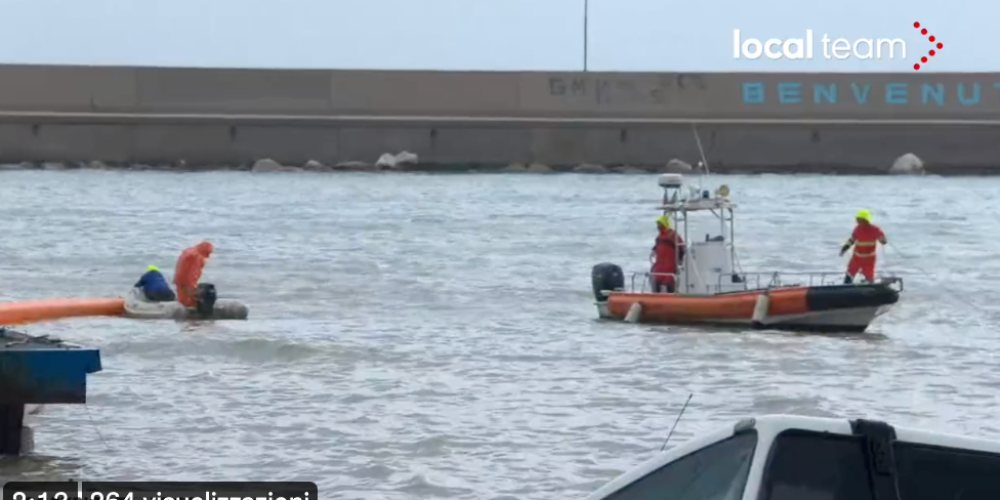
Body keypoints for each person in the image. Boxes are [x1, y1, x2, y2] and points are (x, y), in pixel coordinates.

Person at [840, 209, 887, 284]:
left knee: (869, 276)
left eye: (859, 219)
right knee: (850, 273)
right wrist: (844, 248)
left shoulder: (875, 229)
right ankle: (845, 287)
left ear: (865, 220)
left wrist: (883, 240)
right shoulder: (857, 229)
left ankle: (870, 287)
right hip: (857, 258)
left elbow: (883, 240)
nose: (857, 221)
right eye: (857, 219)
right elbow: (852, 240)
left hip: (869, 259)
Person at [174, 240, 214, 310]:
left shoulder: (189, 251)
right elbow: (192, 274)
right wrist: (192, 288)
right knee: (190, 305)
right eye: (208, 253)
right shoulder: (197, 257)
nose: (208, 255)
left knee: (182, 302)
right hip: (186, 283)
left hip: (179, 279)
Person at [650, 215, 685, 293]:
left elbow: (681, 247)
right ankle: (656, 297)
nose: (658, 226)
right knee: (657, 280)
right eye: (658, 224)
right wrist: (653, 250)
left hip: (670, 263)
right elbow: (657, 246)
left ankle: (671, 296)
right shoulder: (659, 237)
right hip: (660, 263)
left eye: (660, 224)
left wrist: (681, 260)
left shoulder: (673, 235)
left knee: (669, 281)